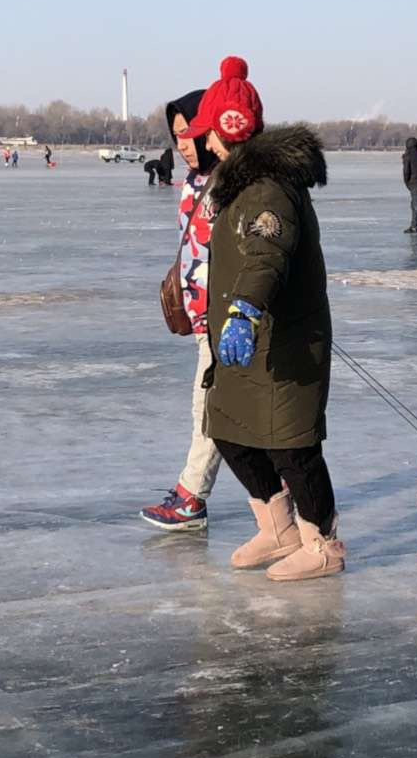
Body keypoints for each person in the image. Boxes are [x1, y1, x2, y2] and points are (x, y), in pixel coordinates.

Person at [183, 56, 344, 581]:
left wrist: (246, 310)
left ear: (223, 132)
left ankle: (323, 544)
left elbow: (265, 254)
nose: (202, 144)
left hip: (282, 339)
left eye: (205, 132)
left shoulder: (266, 188)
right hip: (252, 340)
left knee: (293, 446)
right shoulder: (239, 182)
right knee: (228, 428)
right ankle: (279, 528)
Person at [140, 91, 224, 532]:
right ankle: (283, 506)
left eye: (189, 134)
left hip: (227, 318)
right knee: (220, 413)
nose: (183, 145)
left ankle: (192, 497)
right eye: (176, 137)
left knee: (209, 408)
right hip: (201, 318)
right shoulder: (193, 181)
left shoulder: (230, 180)